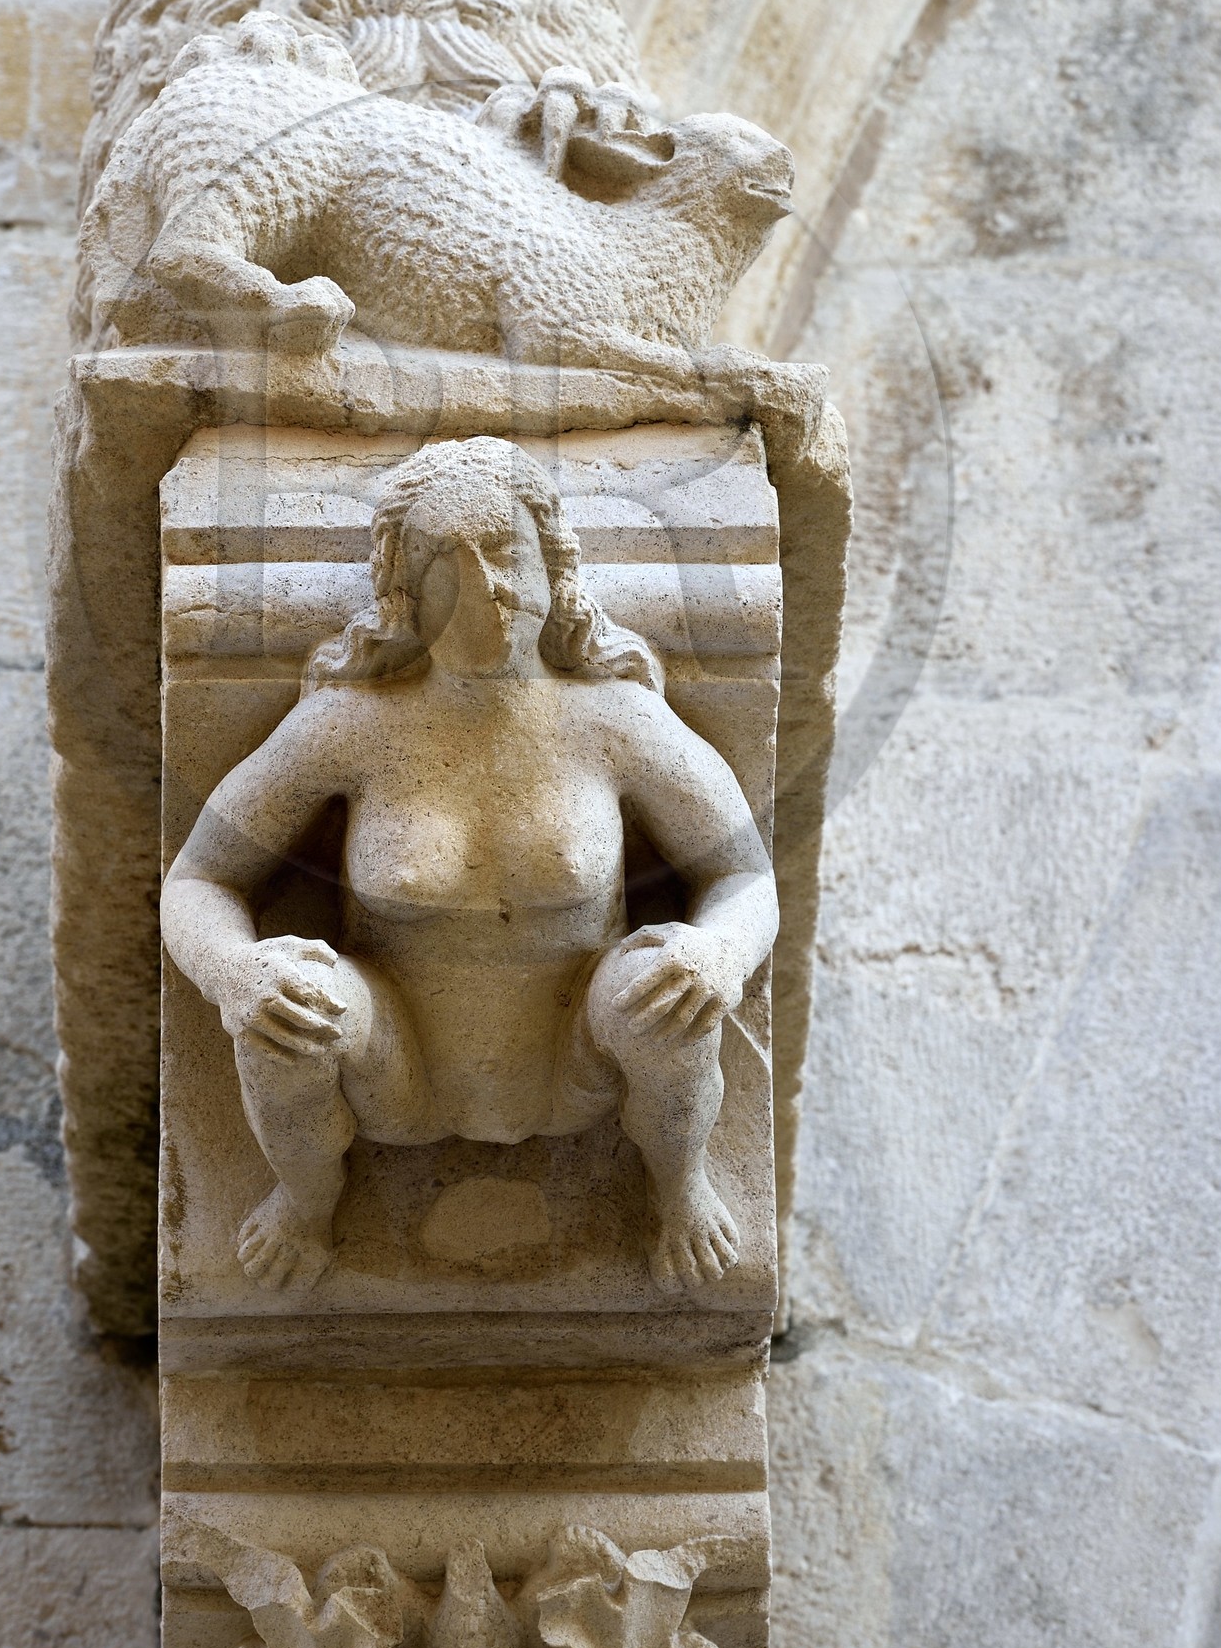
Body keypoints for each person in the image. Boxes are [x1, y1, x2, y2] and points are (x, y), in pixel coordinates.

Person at [161, 436, 778, 1294]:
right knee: (292, 1001)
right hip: (395, 1070)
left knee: (660, 985)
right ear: (404, 589)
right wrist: (234, 970)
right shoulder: (352, 727)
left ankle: (681, 1185)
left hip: (578, 1063)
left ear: (552, 571)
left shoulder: (615, 724)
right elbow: (200, 879)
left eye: (505, 555)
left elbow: (743, 876)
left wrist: (718, 954)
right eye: (446, 565)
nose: (483, 593)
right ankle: (307, 1199)